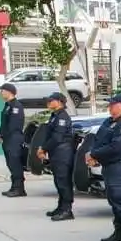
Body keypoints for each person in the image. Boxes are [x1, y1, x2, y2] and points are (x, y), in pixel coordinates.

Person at [86, 93, 121, 241]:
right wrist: (92, 154)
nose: (109, 107)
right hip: (108, 166)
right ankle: (119, 232)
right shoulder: (109, 122)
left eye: (113, 104)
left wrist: (95, 154)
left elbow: (116, 146)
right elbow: (99, 140)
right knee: (113, 200)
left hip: (120, 166)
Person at [37, 92, 75, 220]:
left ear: (59, 102)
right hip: (56, 153)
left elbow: (57, 137)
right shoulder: (55, 116)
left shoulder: (62, 117)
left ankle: (67, 210)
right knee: (58, 181)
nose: (48, 103)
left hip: (62, 153)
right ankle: (61, 206)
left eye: (51, 100)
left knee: (63, 181)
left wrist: (44, 148)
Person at [0, 82, 26, 198]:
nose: (1, 93)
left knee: (15, 163)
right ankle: (14, 187)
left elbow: (14, 125)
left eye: (2, 90)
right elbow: (4, 122)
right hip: (7, 138)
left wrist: (4, 134)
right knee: (10, 163)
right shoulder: (7, 105)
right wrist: (0, 133)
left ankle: (19, 189)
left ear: (9, 92)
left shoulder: (16, 106)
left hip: (14, 139)